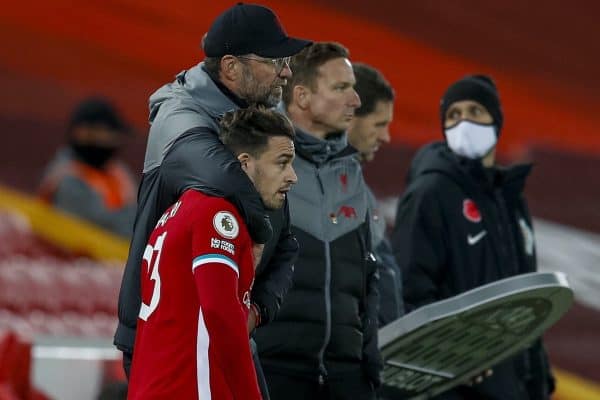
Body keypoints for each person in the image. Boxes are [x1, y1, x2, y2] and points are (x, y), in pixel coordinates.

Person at [114, 3, 311, 384]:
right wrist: (259, 233)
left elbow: (287, 241)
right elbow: (221, 177)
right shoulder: (178, 114)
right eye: (275, 59)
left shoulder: (260, 121)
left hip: (228, 329)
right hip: (167, 340)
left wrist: (257, 311)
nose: (287, 71)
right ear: (232, 67)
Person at [390, 75, 555, 399]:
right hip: (456, 387)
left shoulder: (510, 200)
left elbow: (524, 299)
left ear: (496, 121)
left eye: (475, 111)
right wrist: (458, 355)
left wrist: (538, 379)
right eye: (453, 115)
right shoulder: (430, 193)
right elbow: (409, 293)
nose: (463, 121)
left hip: (511, 387)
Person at [127, 107, 298, 399]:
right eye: (282, 163)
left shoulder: (179, 210)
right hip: (190, 387)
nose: (292, 176)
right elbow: (221, 315)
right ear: (245, 164)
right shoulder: (218, 217)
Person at [253, 42, 381, 400]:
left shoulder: (352, 170)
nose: (355, 101)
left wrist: (366, 355)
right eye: (341, 88)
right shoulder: (259, 161)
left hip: (345, 376)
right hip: (274, 373)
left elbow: (369, 275)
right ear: (303, 96)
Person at [347, 62, 404, 326]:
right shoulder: (297, 183)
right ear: (349, 117)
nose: (386, 137)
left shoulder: (360, 191)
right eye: (379, 124)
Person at [39, 97, 136, 238]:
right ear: (85, 133)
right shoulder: (67, 178)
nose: (117, 140)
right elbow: (94, 228)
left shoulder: (118, 171)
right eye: (110, 133)